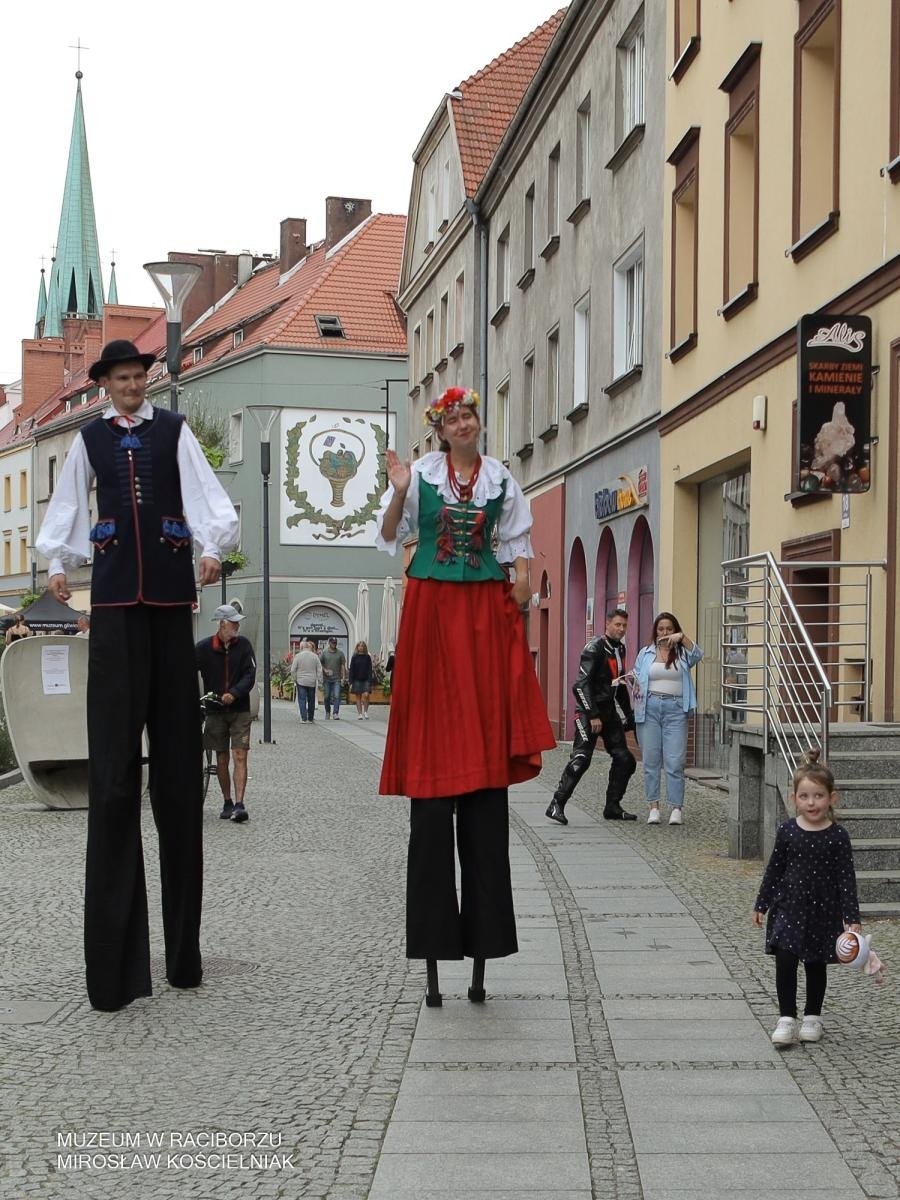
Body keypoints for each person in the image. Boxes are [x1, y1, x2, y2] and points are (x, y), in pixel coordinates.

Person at [35, 338, 239, 1012]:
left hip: (170, 611)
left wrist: (213, 548)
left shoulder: (174, 432)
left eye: (137, 377)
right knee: (115, 783)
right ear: (104, 384)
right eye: (120, 378)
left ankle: (184, 958)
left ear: (146, 380)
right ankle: (117, 970)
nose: (130, 386)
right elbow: (64, 507)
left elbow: (213, 500)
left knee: (178, 783)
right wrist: (57, 562)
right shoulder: (88, 441)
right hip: (118, 611)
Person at [377, 385, 556, 1006]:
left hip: (483, 613)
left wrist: (525, 587)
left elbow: (520, 560)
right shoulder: (421, 475)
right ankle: (433, 947)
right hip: (431, 611)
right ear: (439, 427)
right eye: (452, 416)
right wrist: (399, 485)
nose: (462, 422)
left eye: (469, 414)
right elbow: (388, 531)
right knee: (430, 815)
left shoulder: (502, 479)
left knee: (483, 803)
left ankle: (482, 949)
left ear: (479, 423)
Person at [753, 750, 861, 1046]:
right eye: (805, 796)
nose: (811, 803)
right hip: (788, 908)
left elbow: (846, 879)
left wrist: (851, 918)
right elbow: (774, 870)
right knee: (785, 960)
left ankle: (813, 1016)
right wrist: (761, 903)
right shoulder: (788, 831)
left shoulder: (838, 836)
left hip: (823, 912)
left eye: (818, 796)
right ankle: (786, 1018)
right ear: (794, 799)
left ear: (832, 798)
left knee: (816, 964)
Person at [546, 608, 637, 825]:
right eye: (617, 625)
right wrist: (593, 714)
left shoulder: (620, 649)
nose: (621, 629)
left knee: (625, 759)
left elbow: (620, 685)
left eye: (624, 625)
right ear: (607, 624)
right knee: (581, 759)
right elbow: (580, 685)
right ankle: (556, 804)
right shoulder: (594, 648)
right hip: (588, 712)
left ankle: (612, 806)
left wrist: (630, 716)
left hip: (609, 712)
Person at [632, 612, 703, 826]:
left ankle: (676, 808)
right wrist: (632, 681)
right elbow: (636, 677)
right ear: (655, 631)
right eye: (661, 629)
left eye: (669, 629)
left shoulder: (682, 653)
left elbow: (699, 654)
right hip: (649, 708)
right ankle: (653, 807)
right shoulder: (646, 653)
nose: (664, 633)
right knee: (651, 760)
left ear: (675, 630)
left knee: (675, 761)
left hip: (676, 709)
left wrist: (682, 638)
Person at [196, 604, 257, 823]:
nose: (238, 625)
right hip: (215, 711)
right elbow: (185, 670)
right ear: (222, 624)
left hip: (239, 709)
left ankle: (240, 804)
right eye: (234, 622)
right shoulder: (203, 648)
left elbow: (250, 674)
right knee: (221, 758)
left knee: (240, 755)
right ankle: (227, 800)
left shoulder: (244, 645)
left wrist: (235, 692)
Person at [291, 640, 322, 722]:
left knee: (302, 699)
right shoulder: (315, 656)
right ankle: (310, 718)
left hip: (301, 681)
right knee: (311, 700)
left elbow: (293, 670)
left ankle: (304, 718)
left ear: (302, 647)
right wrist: (320, 679)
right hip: (312, 681)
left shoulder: (298, 656)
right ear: (309, 647)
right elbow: (319, 669)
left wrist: (295, 678)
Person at [320, 635, 347, 720]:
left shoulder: (340, 653)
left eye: (335, 643)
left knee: (336, 696)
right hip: (327, 679)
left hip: (337, 679)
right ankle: (327, 712)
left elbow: (343, 666)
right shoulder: (324, 653)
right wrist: (325, 670)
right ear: (329, 643)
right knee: (327, 696)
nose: (334, 644)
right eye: (332, 643)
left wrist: (343, 677)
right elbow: (320, 663)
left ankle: (335, 713)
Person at [349, 640, 373, 719]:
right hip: (356, 679)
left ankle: (365, 711)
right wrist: (351, 682)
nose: (360, 647)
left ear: (364, 647)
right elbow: (351, 669)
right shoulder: (354, 657)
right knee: (358, 697)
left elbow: (370, 669)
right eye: (359, 646)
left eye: (362, 646)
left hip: (366, 679)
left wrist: (370, 680)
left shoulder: (367, 657)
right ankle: (359, 714)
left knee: (366, 695)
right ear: (357, 647)